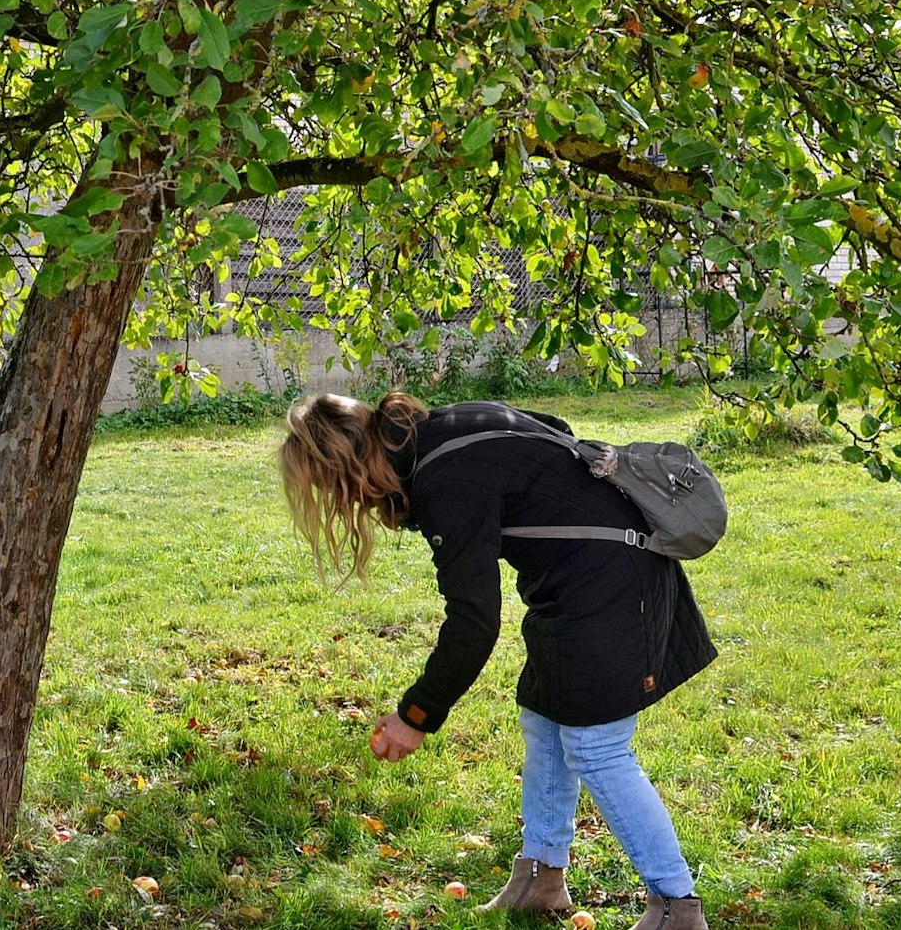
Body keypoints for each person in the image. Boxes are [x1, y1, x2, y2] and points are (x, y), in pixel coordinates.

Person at [280, 392, 717, 930]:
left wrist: (415, 716)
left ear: (347, 470)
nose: (350, 505)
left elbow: (473, 622)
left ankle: (677, 906)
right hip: (578, 582)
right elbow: (554, 430)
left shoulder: (442, 480)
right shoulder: (441, 427)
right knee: (545, 720)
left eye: (334, 490)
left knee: (595, 747)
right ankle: (540, 880)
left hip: (614, 585)